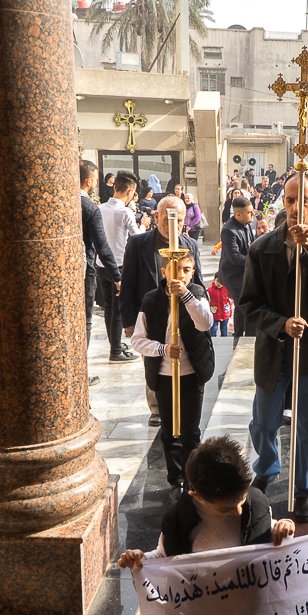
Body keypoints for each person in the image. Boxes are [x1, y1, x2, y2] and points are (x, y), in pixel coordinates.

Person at [117, 435, 296, 615]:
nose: (238, 511)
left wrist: (281, 530)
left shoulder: (256, 505)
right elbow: (165, 557)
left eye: (242, 499)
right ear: (197, 496)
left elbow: (267, 536)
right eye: (226, 509)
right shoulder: (179, 520)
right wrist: (142, 560)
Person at [240, 173, 308, 523]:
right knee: (264, 420)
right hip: (275, 346)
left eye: (304, 200)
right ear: (282, 202)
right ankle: (267, 466)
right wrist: (280, 324)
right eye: (290, 200)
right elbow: (250, 303)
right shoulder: (262, 247)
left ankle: (303, 488)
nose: (297, 207)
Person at [130, 253, 214, 500]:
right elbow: (137, 340)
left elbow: (205, 323)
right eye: (175, 270)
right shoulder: (151, 300)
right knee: (169, 431)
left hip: (191, 373)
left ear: (192, 272)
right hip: (164, 374)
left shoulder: (197, 294)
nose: (181, 275)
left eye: (186, 270)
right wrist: (163, 349)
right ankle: (175, 479)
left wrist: (185, 295)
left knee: (190, 431)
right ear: (164, 272)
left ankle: (193, 479)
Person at [121, 196, 205, 426]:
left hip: (183, 314)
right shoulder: (138, 244)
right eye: (168, 219)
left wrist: (202, 311)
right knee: (153, 361)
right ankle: (157, 407)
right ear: (156, 217)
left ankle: (183, 400)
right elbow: (128, 283)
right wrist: (128, 319)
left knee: (182, 358)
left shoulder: (190, 245)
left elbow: (198, 282)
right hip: (151, 314)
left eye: (179, 220)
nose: (174, 225)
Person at [99, 170, 149, 362]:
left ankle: (116, 344)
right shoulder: (125, 212)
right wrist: (144, 225)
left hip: (101, 265)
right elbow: (137, 238)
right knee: (118, 310)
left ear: (114, 187)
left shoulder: (100, 208)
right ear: (130, 191)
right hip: (118, 266)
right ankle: (115, 351)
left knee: (108, 308)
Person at [79, 159, 121, 386]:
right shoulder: (89, 208)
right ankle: (79, 373)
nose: (96, 183)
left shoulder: (61, 202)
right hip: (85, 269)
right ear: (88, 181)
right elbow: (102, 247)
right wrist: (117, 276)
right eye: (95, 179)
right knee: (84, 321)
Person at [219, 197, 256, 338]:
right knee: (245, 304)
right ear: (238, 214)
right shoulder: (228, 230)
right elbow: (235, 257)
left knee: (242, 306)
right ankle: (246, 338)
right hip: (232, 275)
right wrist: (256, 262)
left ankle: (241, 336)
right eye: (249, 212)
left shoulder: (247, 223)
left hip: (245, 271)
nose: (252, 214)